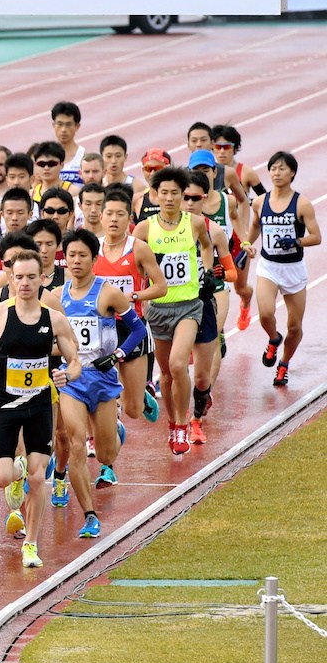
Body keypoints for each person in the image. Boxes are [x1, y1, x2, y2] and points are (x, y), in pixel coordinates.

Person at [0, 249, 81, 568]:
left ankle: (31, 544)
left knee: (39, 478)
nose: (25, 283)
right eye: (19, 277)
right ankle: (16, 471)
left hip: (39, 404)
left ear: (42, 280)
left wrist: (68, 374)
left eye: (31, 277)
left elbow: (75, 359)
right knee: (0, 477)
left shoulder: (54, 320)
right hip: (6, 405)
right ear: (10, 278)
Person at [48, 229, 146, 538]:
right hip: (72, 380)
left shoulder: (108, 293)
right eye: (71, 255)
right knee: (76, 445)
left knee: (105, 456)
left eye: (83, 255)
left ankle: (115, 431)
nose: (76, 261)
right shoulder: (55, 297)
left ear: (94, 259)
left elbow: (138, 331)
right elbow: (47, 340)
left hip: (103, 379)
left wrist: (116, 355)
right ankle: (89, 514)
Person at [133, 167, 215, 454]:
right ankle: (172, 424)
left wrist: (205, 270)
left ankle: (183, 425)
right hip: (158, 309)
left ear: (183, 196)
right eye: (163, 193)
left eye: (175, 194)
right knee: (166, 374)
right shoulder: (144, 228)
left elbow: (207, 246)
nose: (169, 198)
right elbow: (135, 263)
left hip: (189, 307)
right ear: (155, 195)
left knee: (180, 365)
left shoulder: (195, 223)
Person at [247, 151, 320, 387]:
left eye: (282, 168)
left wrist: (297, 241)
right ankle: (273, 338)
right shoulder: (260, 202)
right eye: (273, 168)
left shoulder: (302, 204)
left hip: (294, 270)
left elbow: (316, 237)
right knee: (266, 313)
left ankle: (284, 364)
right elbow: (256, 226)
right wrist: (248, 243)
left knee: (295, 326)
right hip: (269, 267)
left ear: (293, 173)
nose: (276, 173)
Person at [94, 187, 167, 422]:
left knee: (133, 410)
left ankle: (142, 398)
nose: (114, 219)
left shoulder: (139, 248)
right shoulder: (91, 249)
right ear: (101, 216)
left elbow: (161, 287)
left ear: (130, 218)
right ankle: (107, 438)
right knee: (99, 394)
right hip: (98, 329)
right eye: (109, 213)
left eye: (120, 214)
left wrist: (134, 296)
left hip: (131, 327)